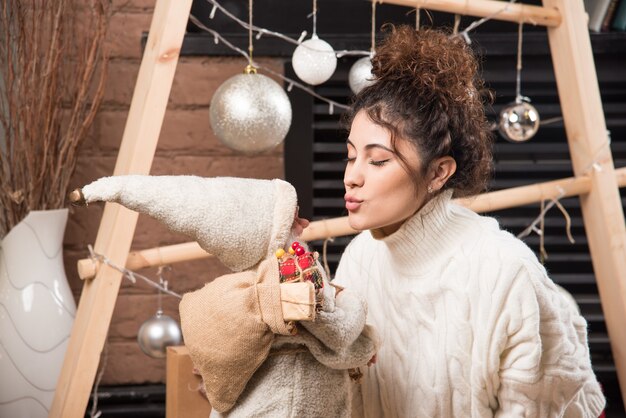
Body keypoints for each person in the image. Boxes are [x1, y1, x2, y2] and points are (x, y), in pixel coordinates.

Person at [333, 25, 605, 417]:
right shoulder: (360, 259)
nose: (351, 176)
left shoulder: (506, 272)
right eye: (350, 155)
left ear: (438, 173)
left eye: (377, 161)